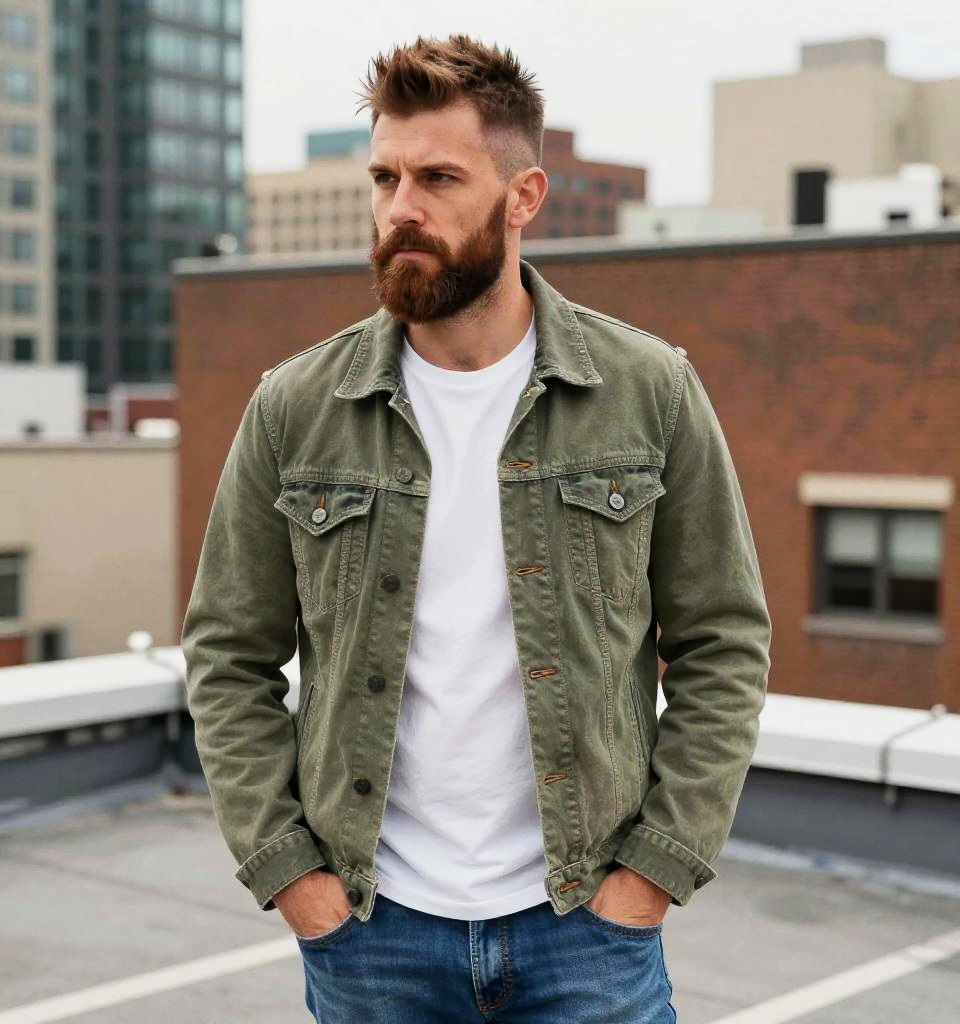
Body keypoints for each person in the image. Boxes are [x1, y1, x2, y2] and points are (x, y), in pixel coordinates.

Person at [181, 34, 772, 1024]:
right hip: (373, 929)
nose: (400, 207)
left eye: (439, 177)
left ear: (523, 195)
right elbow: (226, 653)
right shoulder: (295, 404)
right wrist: (293, 878)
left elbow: (724, 641)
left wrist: (651, 877)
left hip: (585, 922)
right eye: (385, 177)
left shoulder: (645, 389)